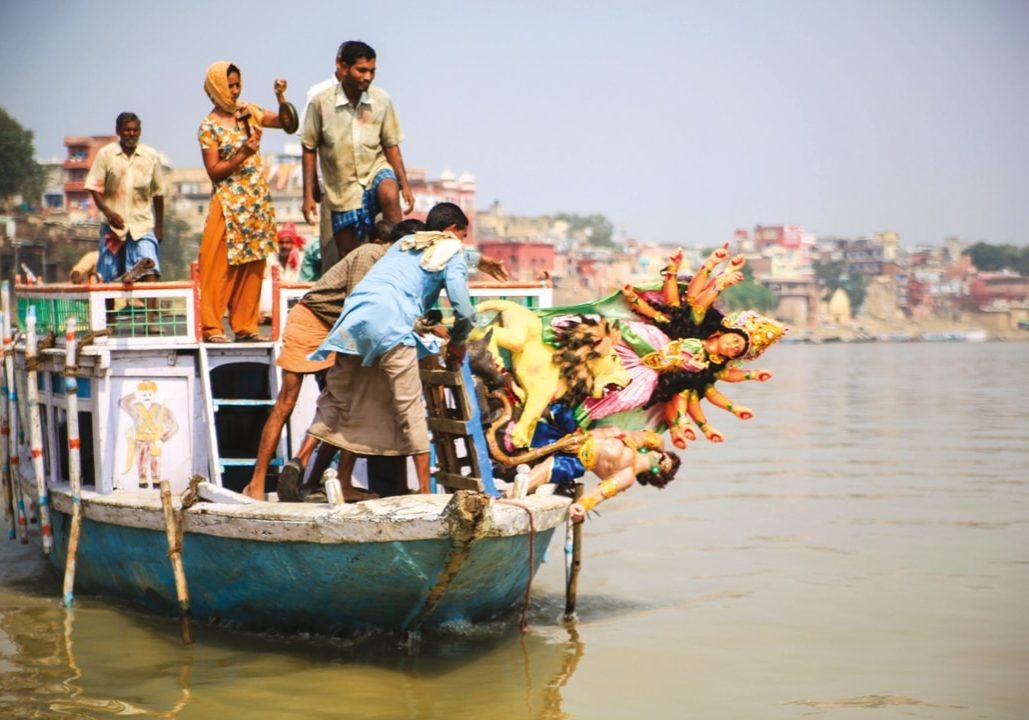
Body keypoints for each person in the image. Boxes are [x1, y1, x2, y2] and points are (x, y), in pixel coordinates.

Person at [303, 202, 474, 496]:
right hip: (392, 324)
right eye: (463, 235)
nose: (463, 242)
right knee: (410, 408)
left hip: (354, 320)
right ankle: (424, 493)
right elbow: (465, 310)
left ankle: (299, 463)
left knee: (340, 399)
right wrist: (459, 342)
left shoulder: (405, 243)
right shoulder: (451, 249)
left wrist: (480, 261)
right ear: (450, 231)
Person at [242, 218, 410, 500]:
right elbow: (359, 306)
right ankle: (256, 484)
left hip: (336, 328)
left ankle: (322, 477)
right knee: (286, 402)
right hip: (311, 321)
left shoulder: (384, 264)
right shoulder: (370, 253)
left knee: (350, 403)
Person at [197, 61, 293, 343]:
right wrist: (242, 153)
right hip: (227, 202)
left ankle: (246, 325)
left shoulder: (250, 112)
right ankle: (212, 327)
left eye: (237, 85)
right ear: (216, 88)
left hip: (255, 200)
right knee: (218, 264)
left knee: (253, 263)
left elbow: (287, 124)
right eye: (229, 86)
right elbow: (214, 171)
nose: (235, 91)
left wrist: (281, 97)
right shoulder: (209, 126)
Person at [300, 40, 414, 260]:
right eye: (361, 70)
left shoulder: (381, 100)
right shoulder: (321, 103)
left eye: (372, 71)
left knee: (390, 192)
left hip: (374, 171)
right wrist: (308, 195)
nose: (367, 77)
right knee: (349, 255)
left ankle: (399, 258)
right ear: (343, 67)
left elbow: (391, 146)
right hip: (342, 187)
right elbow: (309, 148)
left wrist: (405, 186)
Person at [514, 424, 680, 524]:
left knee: (539, 474)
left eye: (664, 465)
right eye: (665, 456)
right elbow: (657, 438)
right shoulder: (638, 441)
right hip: (575, 432)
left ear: (657, 475)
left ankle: (507, 495)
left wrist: (583, 505)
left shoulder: (627, 475)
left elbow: (601, 492)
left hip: (577, 459)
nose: (662, 458)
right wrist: (660, 447)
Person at [85, 112, 164, 282]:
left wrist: (159, 227)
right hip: (114, 229)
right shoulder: (106, 155)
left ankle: (150, 309)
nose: (132, 134)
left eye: (135, 130)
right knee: (107, 276)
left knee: (150, 267)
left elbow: (158, 193)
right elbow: (94, 187)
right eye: (127, 130)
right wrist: (108, 212)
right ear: (118, 131)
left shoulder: (150, 156)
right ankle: (109, 307)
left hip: (142, 225)